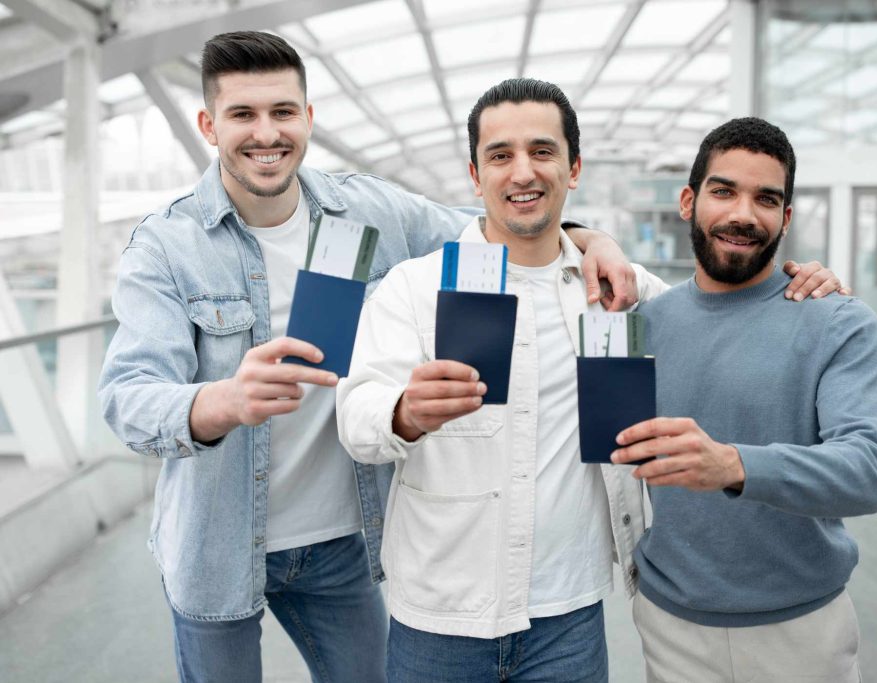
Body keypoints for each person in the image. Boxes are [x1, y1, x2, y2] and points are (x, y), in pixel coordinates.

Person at [96, 32, 642, 683]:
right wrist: (222, 399)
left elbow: (502, 221)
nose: (265, 133)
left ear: (308, 118)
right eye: (243, 114)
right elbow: (126, 396)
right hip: (215, 544)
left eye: (283, 112)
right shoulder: (166, 246)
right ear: (210, 125)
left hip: (338, 543)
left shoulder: (365, 212)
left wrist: (591, 238)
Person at [335, 82, 844, 683]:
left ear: (573, 168)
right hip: (440, 620)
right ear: (475, 177)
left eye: (543, 152)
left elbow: (724, 303)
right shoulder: (416, 288)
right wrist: (404, 412)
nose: (523, 172)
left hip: (569, 620)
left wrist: (809, 289)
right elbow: (356, 419)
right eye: (500, 155)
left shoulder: (624, 296)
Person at [612, 117, 877, 683]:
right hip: (670, 625)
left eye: (766, 198)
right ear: (688, 201)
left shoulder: (838, 322)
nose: (743, 214)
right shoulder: (638, 326)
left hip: (801, 631)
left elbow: (867, 472)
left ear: (785, 217)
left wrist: (734, 465)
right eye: (723, 191)